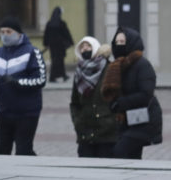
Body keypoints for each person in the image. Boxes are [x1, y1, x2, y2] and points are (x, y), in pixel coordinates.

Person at [0, 16, 47, 155]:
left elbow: (40, 79)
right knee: (0, 151)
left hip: (27, 112)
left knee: (23, 151)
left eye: (9, 32)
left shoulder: (32, 52)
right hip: (5, 111)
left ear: (19, 34)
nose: (5, 35)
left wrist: (16, 82)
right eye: (2, 32)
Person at [102, 27, 163, 159]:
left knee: (119, 152)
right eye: (116, 42)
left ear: (131, 42)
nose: (119, 45)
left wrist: (121, 103)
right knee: (132, 158)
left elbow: (146, 94)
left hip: (144, 120)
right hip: (126, 120)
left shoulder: (142, 65)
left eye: (122, 41)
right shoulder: (117, 66)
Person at [69, 36, 116, 157]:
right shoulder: (79, 72)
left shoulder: (110, 68)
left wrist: (111, 120)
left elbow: (117, 98)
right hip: (85, 132)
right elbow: (74, 102)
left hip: (107, 133)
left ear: (95, 48)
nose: (85, 49)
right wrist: (77, 121)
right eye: (82, 48)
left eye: (88, 46)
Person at [42, 6, 74, 83]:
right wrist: (70, 41)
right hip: (60, 46)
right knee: (60, 61)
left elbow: (46, 35)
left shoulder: (49, 24)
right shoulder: (61, 23)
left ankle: (61, 75)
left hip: (52, 46)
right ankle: (55, 76)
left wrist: (46, 43)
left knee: (55, 60)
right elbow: (66, 33)